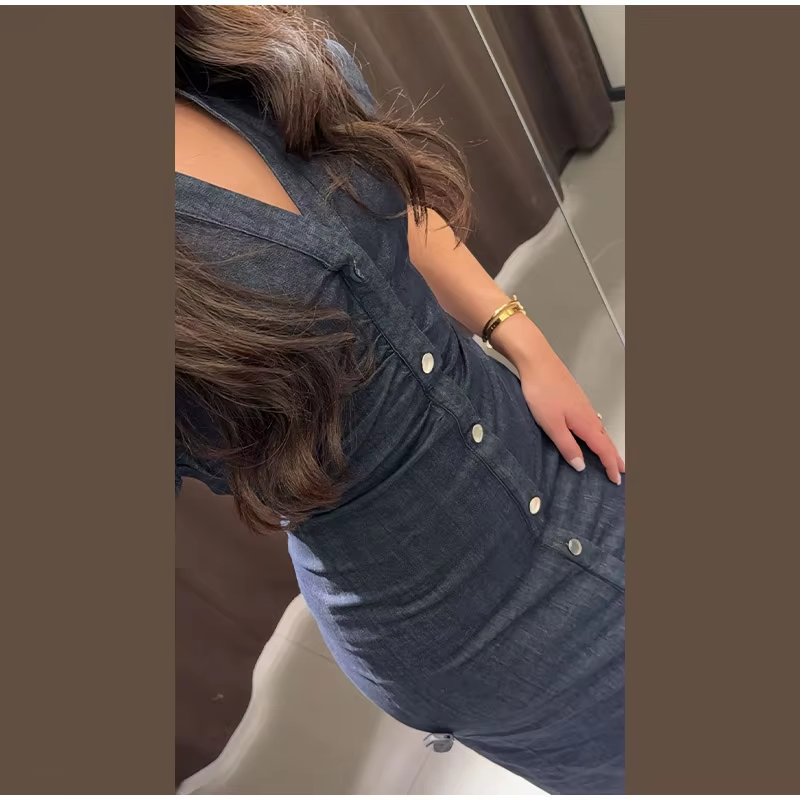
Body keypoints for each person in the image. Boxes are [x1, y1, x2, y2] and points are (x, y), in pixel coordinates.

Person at [175, 6, 624, 794]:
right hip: (460, 627)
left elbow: (382, 199)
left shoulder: (237, 52)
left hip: (546, 452)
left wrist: (522, 339)